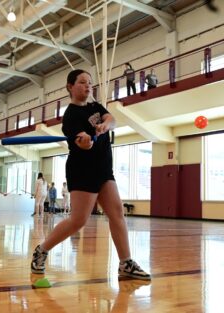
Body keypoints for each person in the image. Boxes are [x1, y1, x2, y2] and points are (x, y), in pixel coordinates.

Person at [30, 70, 151, 280]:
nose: (88, 86)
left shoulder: (95, 107)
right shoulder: (70, 116)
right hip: (82, 169)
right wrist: (85, 141)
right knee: (78, 221)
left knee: (117, 213)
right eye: (83, 83)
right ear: (70, 86)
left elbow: (112, 119)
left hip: (104, 168)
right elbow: (82, 144)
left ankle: (126, 263)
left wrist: (106, 125)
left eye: (90, 83)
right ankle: (42, 250)